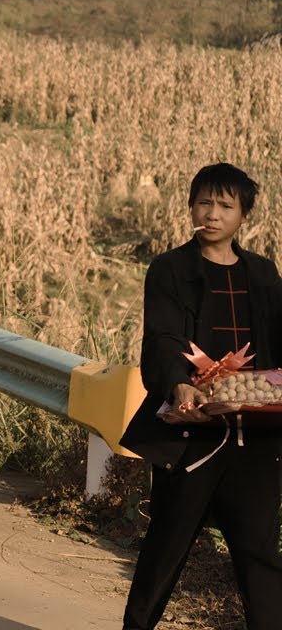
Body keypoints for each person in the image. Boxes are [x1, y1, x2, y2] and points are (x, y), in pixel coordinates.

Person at [119, 163, 282, 630]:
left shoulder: (264, 274)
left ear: (243, 215)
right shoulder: (170, 269)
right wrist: (180, 383)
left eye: (225, 206)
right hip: (193, 434)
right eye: (203, 203)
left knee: (259, 554)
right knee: (167, 547)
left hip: (254, 437)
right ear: (191, 207)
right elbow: (163, 339)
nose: (212, 214)